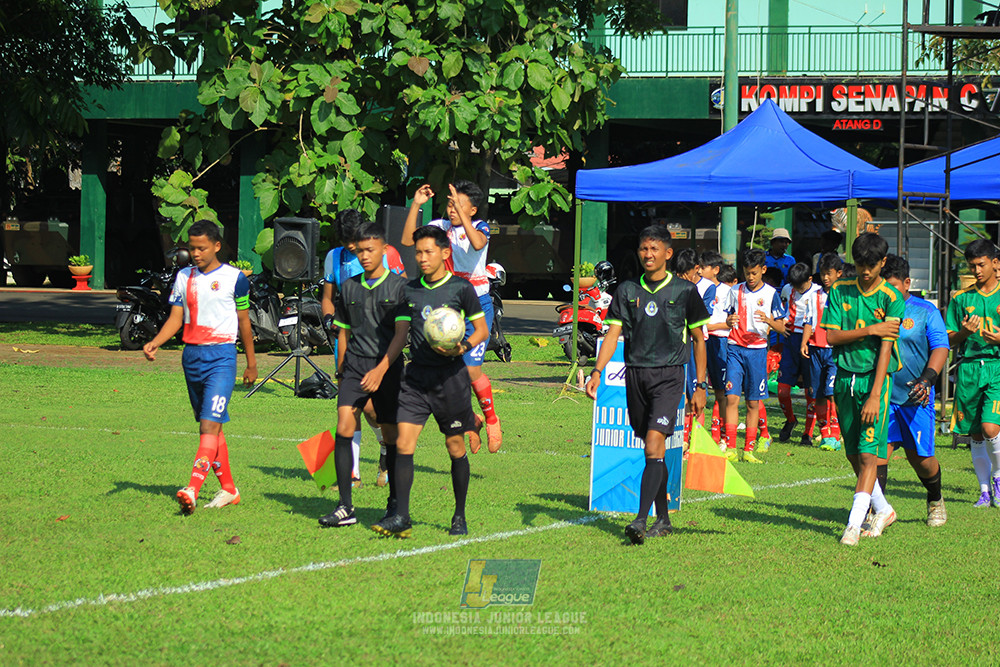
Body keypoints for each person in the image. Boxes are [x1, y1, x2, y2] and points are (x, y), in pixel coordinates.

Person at [586, 224, 710, 544]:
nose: (648, 254)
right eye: (644, 248)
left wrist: (700, 386)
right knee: (650, 449)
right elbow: (612, 333)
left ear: (668, 254)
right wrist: (597, 372)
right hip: (635, 375)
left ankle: (640, 521)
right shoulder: (627, 291)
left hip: (669, 376)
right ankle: (664, 520)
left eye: (655, 249)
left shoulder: (685, 292)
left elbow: (698, 339)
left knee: (655, 443)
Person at [372, 225, 489, 539]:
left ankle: (459, 515)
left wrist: (461, 347)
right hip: (416, 378)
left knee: (454, 447)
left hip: (449, 379)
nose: (422, 258)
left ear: (445, 253)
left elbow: (481, 330)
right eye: (418, 253)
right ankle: (402, 516)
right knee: (403, 444)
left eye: (428, 252)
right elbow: (399, 332)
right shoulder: (409, 291)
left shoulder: (461, 289)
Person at [142, 220, 258, 514]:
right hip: (191, 358)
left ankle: (192, 488)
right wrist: (156, 341)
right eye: (191, 248)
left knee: (209, 424)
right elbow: (175, 318)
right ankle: (230, 490)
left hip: (221, 357)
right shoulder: (183, 278)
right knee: (211, 429)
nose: (195, 253)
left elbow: (244, 322)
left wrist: (251, 363)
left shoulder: (235, 279)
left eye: (201, 248)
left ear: (217, 246)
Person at [318, 223, 410, 528]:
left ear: (384, 250)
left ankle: (395, 503)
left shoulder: (398, 287)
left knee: (391, 435)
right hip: (355, 366)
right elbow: (342, 333)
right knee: (344, 424)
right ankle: (345, 506)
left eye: (371, 250)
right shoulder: (350, 287)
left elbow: (401, 335)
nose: (365, 256)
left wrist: (381, 369)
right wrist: (342, 370)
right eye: (360, 251)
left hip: (387, 367)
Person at [402, 181, 502, 453]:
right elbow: (408, 240)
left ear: (473, 209)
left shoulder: (480, 227)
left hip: (477, 304)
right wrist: (416, 204)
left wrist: (463, 217)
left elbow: (478, 243)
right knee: (452, 373)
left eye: (459, 205)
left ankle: (491, 419)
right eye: (450, 204)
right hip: (448, 307)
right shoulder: (440, 228)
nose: (452, 209)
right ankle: (472, 421)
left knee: (470, 370)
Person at [819, 232, 903, 546]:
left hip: (874, 381)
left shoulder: (891, 297)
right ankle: (883, 509)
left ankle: (853, 526)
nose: (865, 271)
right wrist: (870, 328)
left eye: (871, 265)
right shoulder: (840, 291)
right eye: (860, 264)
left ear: (883, 263)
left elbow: (885, 349)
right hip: (844, 378)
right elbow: (832, 337)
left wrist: (874, 394)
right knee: (853, 453)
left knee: (868, 456)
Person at [878, 254, 948, 526]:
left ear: (907, 283)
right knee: (877, 454)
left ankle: (935, 499)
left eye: (894, 286)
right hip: (883, 396)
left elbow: (941, 347)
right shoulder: (877, 308)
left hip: (915, 398)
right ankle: (878, 510)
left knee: (921, 459)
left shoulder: (924, 311)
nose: (889, 293)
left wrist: (927, 379)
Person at [945, 239, 1000, 507]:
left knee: (991, 428)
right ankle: (984, 491)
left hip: (996, 366)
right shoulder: (962, 298)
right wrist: (965, 332)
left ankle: (999, 479)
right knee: (976, 434)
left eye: (981, 264)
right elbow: (949, 338)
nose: (977, 270)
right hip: (968, 369)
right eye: (972, 266)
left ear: (995, 263)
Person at [724, 248, 786, 463]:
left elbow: (782, 327)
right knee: (732, 397)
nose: (750, 278)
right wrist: (728, 322)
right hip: (734, 348)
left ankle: (748, 449)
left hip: (757, 351)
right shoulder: (735, 291)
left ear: (763, 270)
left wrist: (769, 321)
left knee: (752, 402)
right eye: (747, 273)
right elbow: (727, 317)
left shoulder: (771, 294)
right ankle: (730, 447)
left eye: (754, 273)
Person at [800, 252, 843, 452]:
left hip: (834, 351)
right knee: (816, 393)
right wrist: (804, 342)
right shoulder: (814, 295)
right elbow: (808, 320)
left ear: (839, 274)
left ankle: (835, 433)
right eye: (823, 274)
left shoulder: (844, 296)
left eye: (829, 273)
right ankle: (824, 432)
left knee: (831, 392)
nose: (825, 277)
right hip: (816, 349)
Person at [777, 263, 821, 446]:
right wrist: (780, 327)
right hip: (790, 341)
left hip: (811, 341)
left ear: (809, 280)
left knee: (810, 390)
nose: (796, 289)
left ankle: (807, 433)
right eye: (793, 285)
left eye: (800, 286)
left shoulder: (819, 293)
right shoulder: (787, 289)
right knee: (782, 390)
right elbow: (782, 310)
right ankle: (791, 419)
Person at [707, 264, 737, 445]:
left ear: (715, 269)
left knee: (724, 390)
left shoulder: (727, 291)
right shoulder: (699, 287)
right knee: (700, 388)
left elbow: (731, 322)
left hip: (722, 341)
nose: (700, 270)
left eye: (704, 267)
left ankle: (723, 434)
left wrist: (710, 326)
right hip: (703, 339)